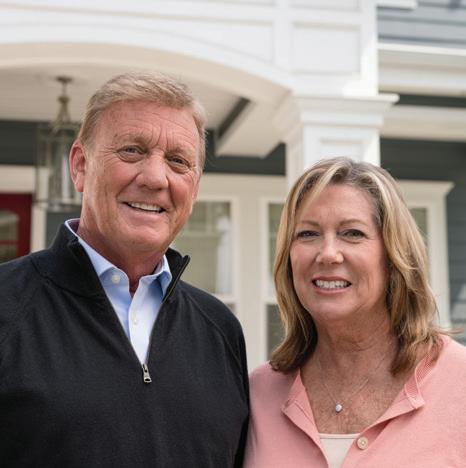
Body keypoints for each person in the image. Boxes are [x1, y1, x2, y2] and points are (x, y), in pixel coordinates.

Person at [0, 72, 249, 467]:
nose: (155, 178)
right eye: (132, 151)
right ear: (80, 166)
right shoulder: (7, 306)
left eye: (178, 161)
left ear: (195, 189)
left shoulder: (220, 331)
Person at [244, 157, 466, 467]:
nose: (328, 254)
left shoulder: (459, 383)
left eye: (352, 233)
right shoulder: (258, 393)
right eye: (307, 234)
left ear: (393, 256)